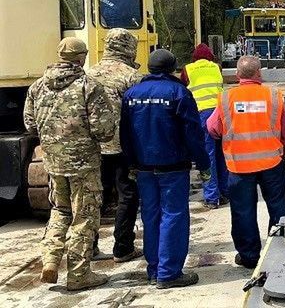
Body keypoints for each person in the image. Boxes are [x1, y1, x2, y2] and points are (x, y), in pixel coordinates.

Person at [23, 38, 115, 291]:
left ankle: (50, 261)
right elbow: (104, 130)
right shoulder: (88, 87)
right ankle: (78, 274)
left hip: (53, 163)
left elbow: (30, 125)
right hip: (84, 165)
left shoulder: (37, 87)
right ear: (82, 57)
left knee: (60, 211)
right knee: (84, 218)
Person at [120, 49, 211, 288]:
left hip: (143, 167)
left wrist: (130, 163)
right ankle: (169, 273)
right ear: (173, 69)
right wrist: (204, 165)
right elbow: (193, 135)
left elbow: (125, 134)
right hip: (173, 167)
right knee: (174, 215)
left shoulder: (131, 95)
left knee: (150, 216)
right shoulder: (179, 93)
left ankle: (154, 269)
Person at [206, 55, 285, 269]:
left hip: (238, 166)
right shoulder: (273, 96)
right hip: (272, 163)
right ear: (259, 74)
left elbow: (212, 128)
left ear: (237, 75)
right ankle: (278, 250)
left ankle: (248, 256)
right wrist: (283, 150)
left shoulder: (226, 99)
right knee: (278, 207)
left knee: (243, 211)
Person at [87, 28, 143, 263]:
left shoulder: (88, 74)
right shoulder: (131, 76)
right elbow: (139, 114)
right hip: (123, 147)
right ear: (130, 48)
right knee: (127, 196)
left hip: (94, 148)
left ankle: (89, 246)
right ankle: (123, 247)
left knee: (93, 198)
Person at [180, 43, 228, 209]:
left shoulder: (188, 69)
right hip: (220, 114)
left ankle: (211, 197)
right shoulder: (217, 67)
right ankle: (225, 192)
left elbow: (183, 89)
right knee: (222, 154)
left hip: (201, 115)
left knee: (207, 156)